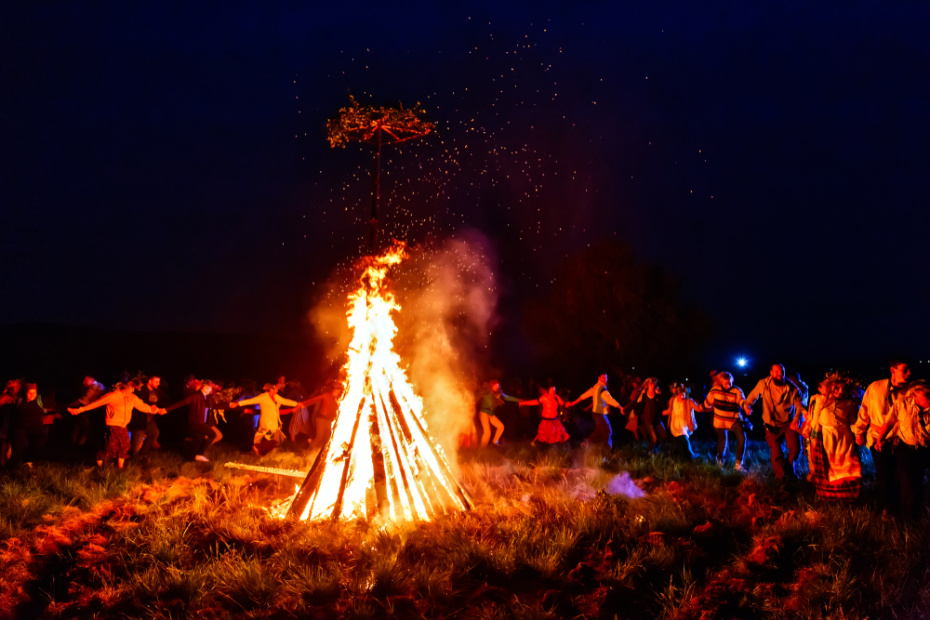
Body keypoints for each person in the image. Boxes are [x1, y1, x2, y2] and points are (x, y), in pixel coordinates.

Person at [853, 359, 911, 512]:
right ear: (893, 370)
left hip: (901, 439)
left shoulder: (910, 391)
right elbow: (864, 410)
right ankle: (884, 507)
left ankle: (899, 507)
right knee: (883, 474)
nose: (908, 373)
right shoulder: (876, 387)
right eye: (904, 369)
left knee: (899, 475)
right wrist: (859, 431)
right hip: (877, 436)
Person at [68, 380, 163, 468]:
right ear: (125, 386)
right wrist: (79, 410)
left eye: (134, 388)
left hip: (123, 426)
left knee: (124, 446)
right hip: (112, 425)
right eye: (131, 387)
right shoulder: (112, 396)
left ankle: (120, 468)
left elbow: (142, 406)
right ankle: (99, 463)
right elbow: (95, 404)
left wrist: (156, 410)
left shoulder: (132, 397)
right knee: (110, 447)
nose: (133, 390)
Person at [803, 376, 862, 502]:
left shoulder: (850, 404)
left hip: (844, 440)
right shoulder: (820, 401)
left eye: (843, 389)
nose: (840, 391)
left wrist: (859, 433)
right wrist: (812, 440)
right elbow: (815, 422)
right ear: (832, 388)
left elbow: (852, 422)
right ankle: (829, 497)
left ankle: (848, 497)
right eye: (837, 388)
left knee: (848, 468)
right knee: (829, 469)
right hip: (827, 439)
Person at [744, 364, 806, 481]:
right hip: (771, 424)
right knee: (776, 452)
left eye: (782, 371)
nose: (780, 374)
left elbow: (799, 404)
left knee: (796, 448)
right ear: (771, 373)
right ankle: (781, 477)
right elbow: (752, 397)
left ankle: (789, 468)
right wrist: (747, 406)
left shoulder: (791, 387)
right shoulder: (764, 384)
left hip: (788, 423)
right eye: (776, 371)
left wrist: (797, 418)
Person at [890, 380, 930, 519]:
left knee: (918, 482)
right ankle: (905, 520)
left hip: (922, 450)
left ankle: (917, 516)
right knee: (907, 486)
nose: (929, 398)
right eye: (927, 395)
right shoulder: (903, 405)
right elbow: (891, 421)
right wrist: (880, 438)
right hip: (905, 449)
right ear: (915, 394)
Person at [230, 382, 300, 455]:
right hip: (267, 423)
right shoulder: (262, 397)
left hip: (274, 422)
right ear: (270, 390)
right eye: (275, 389)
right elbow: (250, 401)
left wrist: (296, 404)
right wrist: (238, 403)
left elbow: (285, 401)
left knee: (273, 440)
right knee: (274, 439)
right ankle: (258, 448)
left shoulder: (275, 397)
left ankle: (259, 451)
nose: (277, 390)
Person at [163, 380, 222, 462]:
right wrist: (166, 410)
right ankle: (199, 454)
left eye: (210, 388)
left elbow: (216, 406)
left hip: (202, 422)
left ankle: (190, 458)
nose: (209, 390)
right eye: (207, 388)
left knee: (200, 439)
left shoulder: (208, 398)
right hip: (196, 422)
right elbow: (182, 403)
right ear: (202, 387)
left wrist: (230, 405)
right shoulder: (196, 396)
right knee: (213, 434)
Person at [704, 371, 748, 470]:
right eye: (726, 383)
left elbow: (741, 400)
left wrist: (746, 407)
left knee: (742, 438)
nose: (729, 385)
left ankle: (738, 464)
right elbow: (707, 403)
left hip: (733, 419)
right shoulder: (715, 390)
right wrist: (700, 407)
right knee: (722, 440)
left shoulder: (737, 390)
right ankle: (720, 461)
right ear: (720, 382)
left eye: (730, 382)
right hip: (720, 420)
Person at [567, 374, 624, 449]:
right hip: (599, 414)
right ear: (599, 378)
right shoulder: (602, 388)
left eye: (606, 377)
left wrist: (573, 403)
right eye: (603, 377)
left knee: (598, 432)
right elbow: (609, 399)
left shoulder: (595, 387)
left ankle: (585, 443)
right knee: (607, 431)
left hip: (596, 414)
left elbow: (585, 395)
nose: (605, 379)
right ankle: (607, 454)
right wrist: (620, 407)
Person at [11, 383, 52, 466]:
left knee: (37, 446)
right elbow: (14, 414)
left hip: (36, 428)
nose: (32, 395)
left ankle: (35, 463)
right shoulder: (20, 400)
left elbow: (48, 410)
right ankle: (18, 464)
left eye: (34, 393)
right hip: (21, 427)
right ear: (25, 392)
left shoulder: (40, 400)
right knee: (19, 445)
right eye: (30, 393)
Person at [299, 380, 341, 450]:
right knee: (319, 437)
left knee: (327, 437)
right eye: (338, 390)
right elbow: (314, 399)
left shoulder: (336, 400)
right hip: (321, 419)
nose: (339, 392)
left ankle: (316, 451)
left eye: (340, 391)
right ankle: (307, 454)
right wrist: (303, 404)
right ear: (335, 390)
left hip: (328, 421)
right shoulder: (326, 395)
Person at [130, 375, 166, 458]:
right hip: (140, 419)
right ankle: (134, 460)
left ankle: (143, 453)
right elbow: (139, 403)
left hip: (149, 419)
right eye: (156, 381)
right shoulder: (141, 390)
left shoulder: (156, 391)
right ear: (150, 381)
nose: (158, 383)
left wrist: (160, 409)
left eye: (159, 382)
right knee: (136, 443)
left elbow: (159, 402)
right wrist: (150, 406)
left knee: (154, 433)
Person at [475, 380, 519, 447]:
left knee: (501, 426)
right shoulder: (485, 391)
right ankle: (482, 448)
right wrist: (472, 403)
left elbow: (507, 397)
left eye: (498, 386)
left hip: (491, 414)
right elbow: (477, 398)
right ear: (491, 385)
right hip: (483, 412)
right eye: (495, 385)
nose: (497, 387)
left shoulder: (497, 394)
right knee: (487, 432)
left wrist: (518, 400)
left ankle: (494, 444)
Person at [663, 383, 700, 459]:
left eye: (683, 394)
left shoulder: (688, 401)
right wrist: (664, 412)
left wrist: (704, 406)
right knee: (680, 439)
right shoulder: (673, 400)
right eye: (680, 394)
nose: (682, 396)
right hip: (675, 423)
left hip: (684, 424)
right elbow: (670, 410)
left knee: (683, 437)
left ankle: (689, 455)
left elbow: (697, 408)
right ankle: (677, 454)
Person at [631, 377, 667, 453]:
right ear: (647, 385)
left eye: (654, 384)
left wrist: (660, 395)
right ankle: (650, 452)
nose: (653, 386)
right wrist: (624, 409)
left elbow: (663, 406)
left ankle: (656, 449)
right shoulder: (644, 394)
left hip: (656, 419)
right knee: (654, 438)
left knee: (663, 435)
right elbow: (635, 402)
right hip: (647, 420)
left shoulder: (657, 395)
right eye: (651, 384)